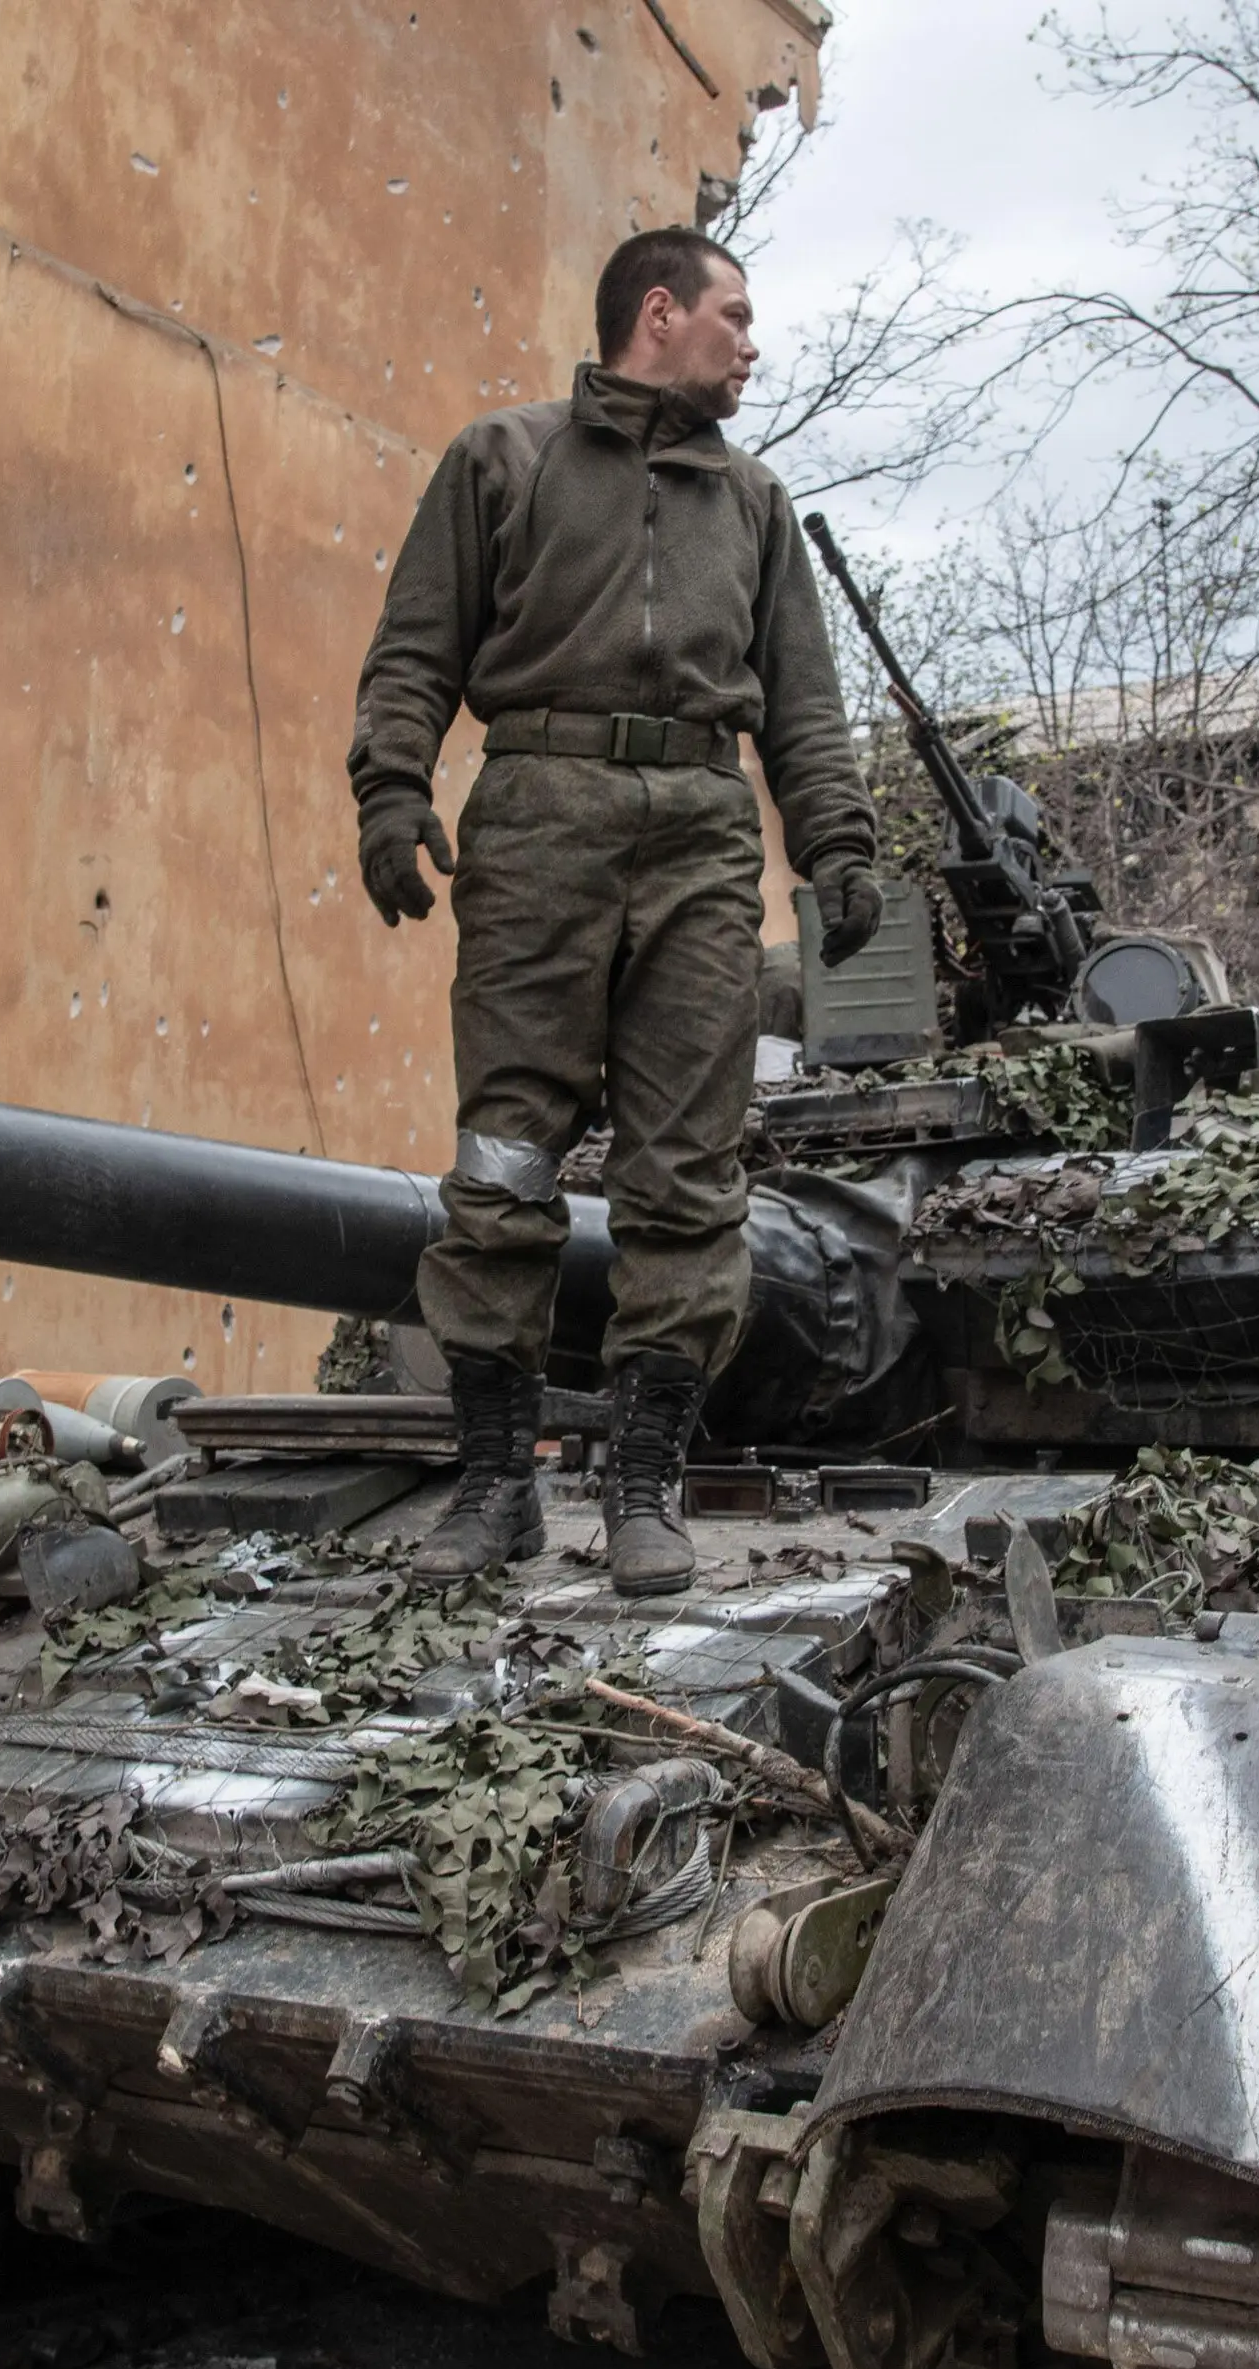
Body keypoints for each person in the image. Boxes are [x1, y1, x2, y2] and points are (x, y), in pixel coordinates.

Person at [348, 227, 882, 1597]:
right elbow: (417, 645)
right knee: (506, 1159)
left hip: (702, 836)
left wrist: (837, 845)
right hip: (537, 818)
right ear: (661, 314)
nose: (753, 346)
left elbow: (805, 707)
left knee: (688, 1172)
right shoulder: (503, 461)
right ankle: (493, 1491)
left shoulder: (753, 505)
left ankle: (643, 1491)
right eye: (737, 317)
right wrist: (393, 792)